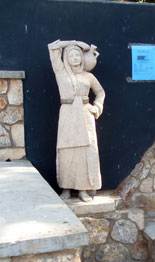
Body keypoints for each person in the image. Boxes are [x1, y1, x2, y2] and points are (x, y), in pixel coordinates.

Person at [48, 40, 105, 202]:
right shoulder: (61, 72)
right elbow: (52, 47)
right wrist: (74, 43)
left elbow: (100, 92)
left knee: (86, 153)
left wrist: (97, 106)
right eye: (71, 54)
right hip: (67, 114)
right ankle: (66, 188)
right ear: (66, 58)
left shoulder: (88, 76)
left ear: (82, 58)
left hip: (85, 114)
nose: (74, 57)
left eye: (77, 54)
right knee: (67, 151)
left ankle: (83, 189)